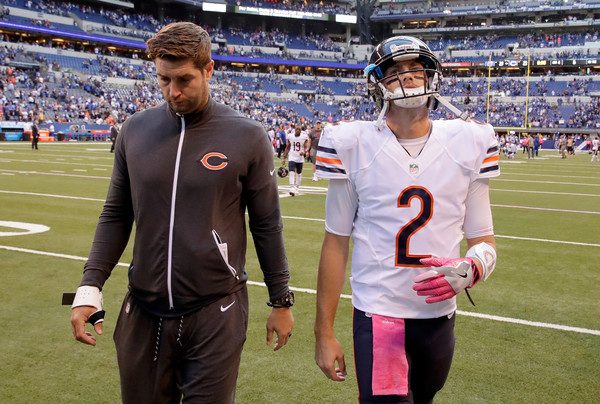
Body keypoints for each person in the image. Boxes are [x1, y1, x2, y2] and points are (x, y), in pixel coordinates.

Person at [68, 22, 294, 404]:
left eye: (184, 79)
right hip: (143, 311)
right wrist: (90, 286)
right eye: (163, 79)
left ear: (208, 69)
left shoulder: (247, 135)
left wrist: (281, 301)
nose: (173, 91)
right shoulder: (135, 130)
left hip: (216, 310)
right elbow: (115, 214)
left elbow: (267, 224)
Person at [313, 36, 499, 403]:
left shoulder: (469, 141)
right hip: (380, 312)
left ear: (432, 76)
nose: (408, 77)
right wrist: (323, 332)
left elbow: (483, 238)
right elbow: (335, 241)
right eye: (396, 71)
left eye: (416, 68)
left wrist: (475, 265)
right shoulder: (353, 143)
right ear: (377, 83)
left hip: (438, 315)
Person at [283, 125, 310, 196]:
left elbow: (306, 146)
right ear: (295, 130)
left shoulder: (304, 137)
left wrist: (304, 151)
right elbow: (288, 147)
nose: (298, 131)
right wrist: (284, 157)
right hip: (292, 156)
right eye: (297, 129)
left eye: (299, 130)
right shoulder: (290, 136)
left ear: (301, 131)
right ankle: (292, 187)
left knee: (299, 173)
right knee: (291, 172)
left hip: (300, 158)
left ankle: (297, 187)